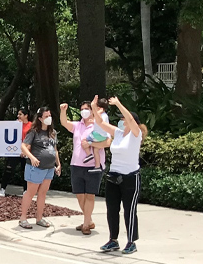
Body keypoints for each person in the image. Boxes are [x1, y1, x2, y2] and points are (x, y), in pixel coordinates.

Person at [90, 95, 146, 255]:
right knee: (112, 209)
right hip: (114, 176)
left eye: (123, 119)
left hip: (130, 177)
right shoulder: (118, 133)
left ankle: (131, 242)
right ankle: (113, 240)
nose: (121, 121)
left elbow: (131, 119)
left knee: (129, 210)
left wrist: (118, 104)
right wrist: (93, 107)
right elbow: (101, 123)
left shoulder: (136, 135)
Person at [59, 101, 111, 236]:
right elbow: (64, 123)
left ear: (92, 110)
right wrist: (63, 111)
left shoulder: (99, 124)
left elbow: (108, 142)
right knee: (79, 195)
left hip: (93, 165)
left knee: (90, 195)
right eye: (82, 109)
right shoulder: (78, 125)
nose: (84, 111)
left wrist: (90, 143)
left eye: (86, 109)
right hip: (76, 164)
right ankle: (89, 220)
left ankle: (86, 224)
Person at [18, 107, 60, 229]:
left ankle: (39, 218)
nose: (49, 118)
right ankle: (23, 218)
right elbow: (23, 146)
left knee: (43, 193)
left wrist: (58, 164)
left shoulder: (53, 132)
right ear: (40, 118)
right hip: (35, 168)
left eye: (50, 116)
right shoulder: (34, 131)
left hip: (49, 168)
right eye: (46, 116)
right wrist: (32, 158)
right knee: (30, 192)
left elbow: (55, 150)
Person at [0, 109, 32, 197]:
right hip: (14, 151)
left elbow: (32, 139)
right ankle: (3, 188)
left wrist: (26, 151)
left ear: (26, 115)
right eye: (18, 114)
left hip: (26, 152)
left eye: (20, 114)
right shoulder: (15, 124)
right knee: (8, 170)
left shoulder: (31, 126)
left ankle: (26, 190)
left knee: (25, 172)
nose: (18, 116)